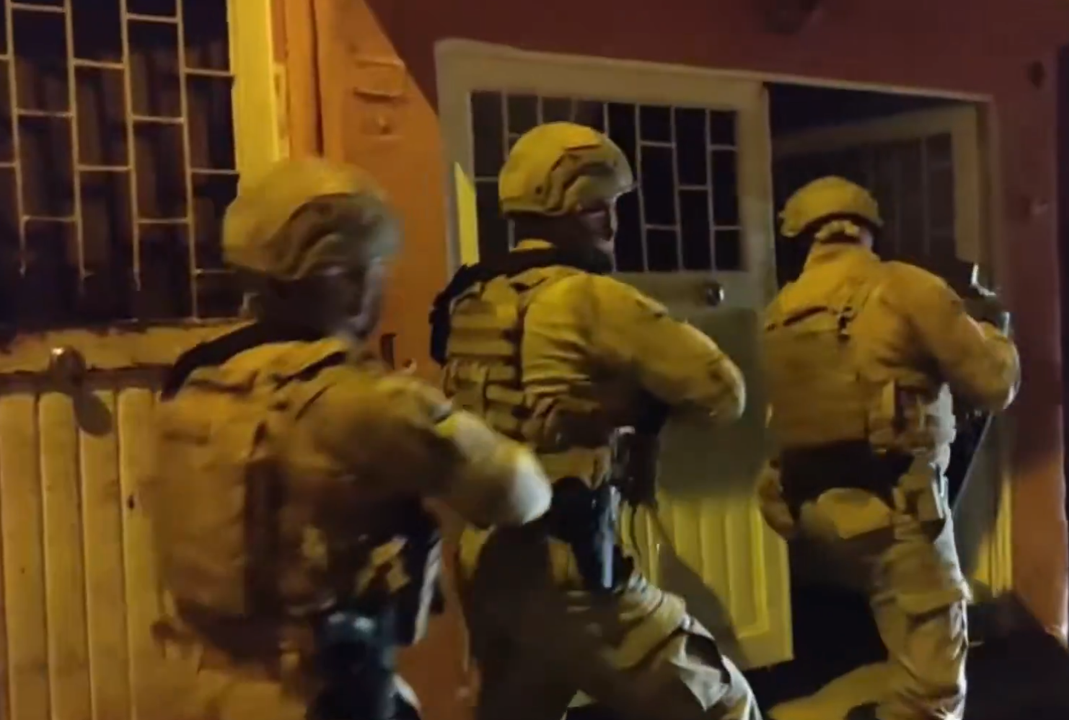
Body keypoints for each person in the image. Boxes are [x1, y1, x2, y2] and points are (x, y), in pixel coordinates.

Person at [143, 157, 554, 720]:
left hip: (199, 690)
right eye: (375, 269)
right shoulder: (358, 400)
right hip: (318, 696)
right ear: (352, 282)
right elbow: (518, 492)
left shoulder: (197, 382)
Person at [430, 121, 762, 720]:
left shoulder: (473, 297)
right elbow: (722, 392)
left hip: (486, 556)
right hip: (567, 560)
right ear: (572, 210)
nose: (611, 224)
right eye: (599, 207)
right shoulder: (586, 296)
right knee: (719, 701)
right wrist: (639, 408)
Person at [754, 177, 1020, 720]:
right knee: (934, 685)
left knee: (896, 629)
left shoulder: (781, 310)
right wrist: (990, 331)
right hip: (894, 508)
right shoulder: (903, 286)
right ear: (867, 227)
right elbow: (994, 384)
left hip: (818, 513)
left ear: (802, 236)